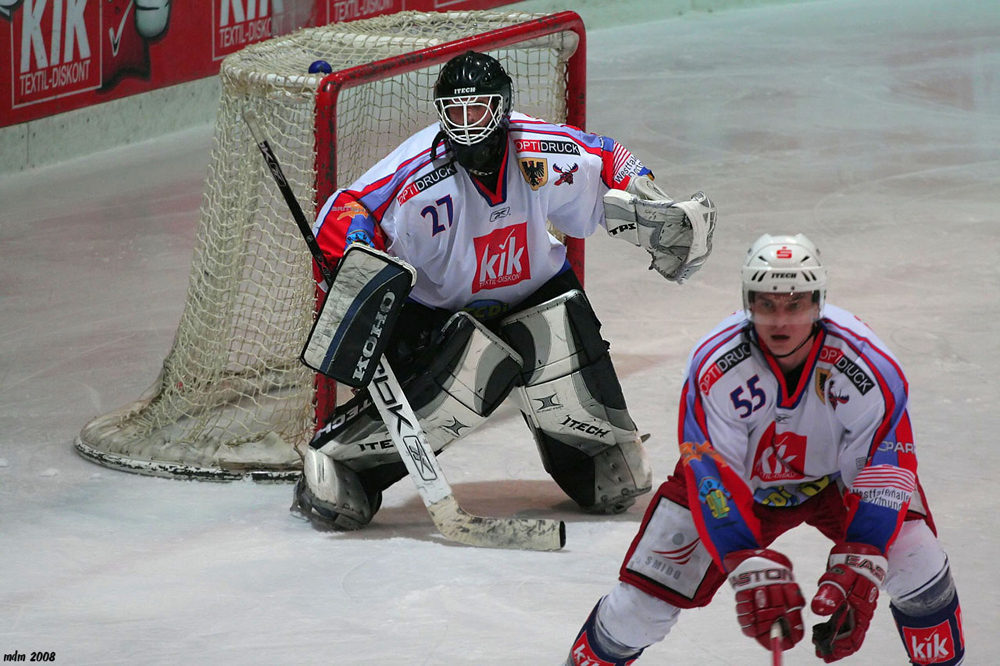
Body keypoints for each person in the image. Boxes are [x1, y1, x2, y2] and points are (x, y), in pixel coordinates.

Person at [291, 50, 717, 530]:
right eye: (456, 112)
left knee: (569, 356)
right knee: (460, 381)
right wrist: (356, 248)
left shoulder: (536, 152)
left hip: (535, 289)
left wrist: (642, 191)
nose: (468, 125)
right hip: (440, 312)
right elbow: (346, 208)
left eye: (479, 110)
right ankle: (345, 459)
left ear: (503, 107)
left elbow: (603, 155)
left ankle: (591, 454)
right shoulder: (418, 173)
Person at [565, 233, 965, 665]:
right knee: (638, 610)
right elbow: (712, 477)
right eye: (766, 303)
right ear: (747, 302)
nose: (780, 321)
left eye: (795, 304)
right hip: (734, 490)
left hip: (836, 482)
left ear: (818, 303)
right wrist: (740, 554)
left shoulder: (869, 362)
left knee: (918, 560)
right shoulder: (715, 365)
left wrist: (865, 553)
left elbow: (888, 463)